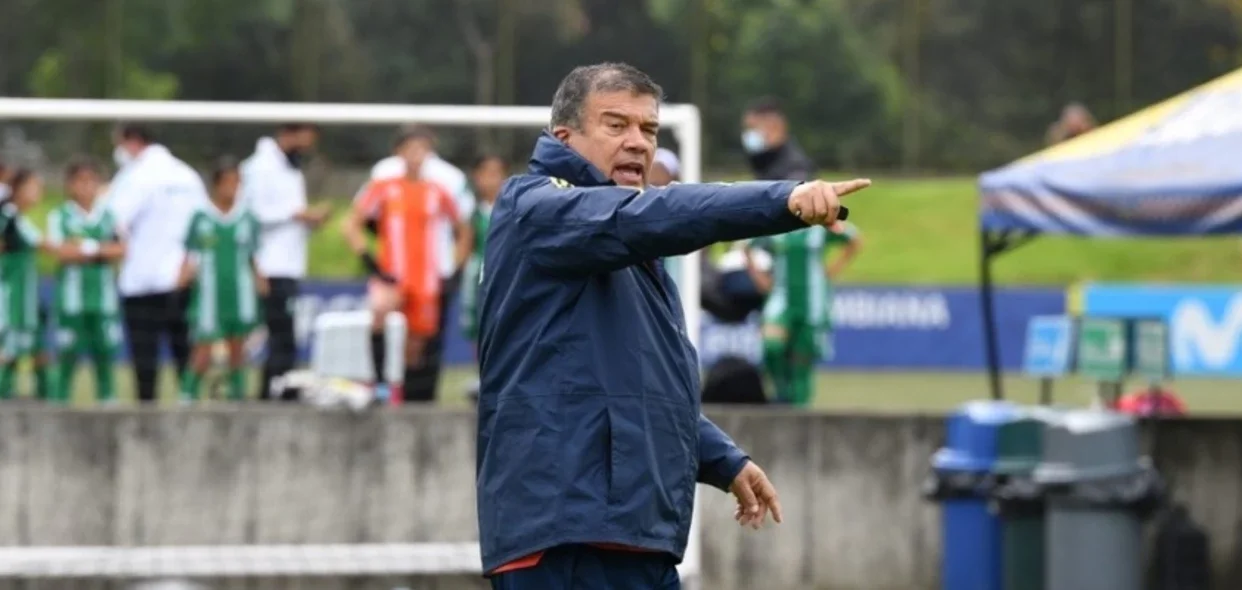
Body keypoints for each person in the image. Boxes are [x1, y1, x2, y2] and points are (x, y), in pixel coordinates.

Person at [477, 62, 871, 589]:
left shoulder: (627, 245)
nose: (639, 143)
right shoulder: (534, 205)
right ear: (564, 138)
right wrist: (779, 200)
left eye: (650, 130)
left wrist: (721, 458)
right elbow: (648, 215)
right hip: (565, 540)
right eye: (617, 125)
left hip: (634, 536)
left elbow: (636, 379)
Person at [344, 128, 470, 403]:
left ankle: (408, 400)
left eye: (422, 149)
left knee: (415, 348)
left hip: (426, 279)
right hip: (392, 275)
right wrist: (370, 262)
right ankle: (378, 384)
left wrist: (456, 270)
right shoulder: (384, 187)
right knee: (378, 314)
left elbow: (464, 230)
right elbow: (351, 224)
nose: (417, 155)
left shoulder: (438, 191)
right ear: (399, 152)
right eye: (411, 149)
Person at [106, 123, 208, 404]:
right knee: (183, 354)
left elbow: (112, 221)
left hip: (142, 281)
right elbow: (204, 226)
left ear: (132, 141)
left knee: (145, 359)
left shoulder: (133, 176)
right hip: (183, 276)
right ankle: (191, 412)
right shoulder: (187, 175)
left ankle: (147, 416)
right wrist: (192, 264)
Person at [239, 123, 329, 401]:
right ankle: (272, 395)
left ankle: (276, 392)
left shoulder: (290, 168)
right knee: (278, 336)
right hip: (269, 266)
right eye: (304, 142)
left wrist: (308, 220)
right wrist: (298, 215)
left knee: (284, 337)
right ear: (288, 135)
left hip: (288, 264)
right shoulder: (258, 168)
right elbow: (250, 214)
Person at [176, 160, 266, 403]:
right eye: (228, 183)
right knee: (202, 350)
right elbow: (189, 254)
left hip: (239, 292)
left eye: (237, 183)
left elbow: (253, 255)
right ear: (216, 185)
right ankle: (187, 396)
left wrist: (260, 279)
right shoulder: (201, 217)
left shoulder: (247, 218)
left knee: (237, 348)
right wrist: (182, 276)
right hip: (208, 295)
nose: (233, 189)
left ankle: (237, 397)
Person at [749, 223, 862, 406]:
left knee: (802, 360)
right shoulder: (778, 224)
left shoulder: (821, 226)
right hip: (782, 297)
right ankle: (781, 393)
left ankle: (800, 409)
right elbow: (748, 246)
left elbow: (854, 239)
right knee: (771, 347)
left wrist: (832, 270)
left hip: (812, 302)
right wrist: (759, 277)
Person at [47, 159, 127, 405]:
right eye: (81, 181)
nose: (87, 186)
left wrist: (84, 248)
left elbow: (121, 249)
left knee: (105, 352)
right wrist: (98, 250)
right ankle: (60, 401)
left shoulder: (109, 216)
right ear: (70, 185)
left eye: (91, 181)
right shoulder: (59, 215)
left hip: (103, 299)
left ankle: (107, 400)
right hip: (71, 300)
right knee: (67, 353)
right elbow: (61, 251)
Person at [0, 170, 59, 399]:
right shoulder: (8, 217)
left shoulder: (20, 219)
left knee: (39, 345)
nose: (38, 193)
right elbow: (47, 245)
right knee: (12, 344)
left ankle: (47, 396)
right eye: (34, 187)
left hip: (29, 294)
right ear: (18, 189)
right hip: (14, 295)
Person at [458, 154, 506, 348]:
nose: (491, 179)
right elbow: (465, 245)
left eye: (496, 173)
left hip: (505, 275)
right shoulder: (472, 211)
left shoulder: (513, 208)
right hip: (478, 276)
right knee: (478, 329)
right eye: (485, 173)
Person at [741, 97, 817, 181]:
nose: (750, 135)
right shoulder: (765, 162)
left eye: (754, 128)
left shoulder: (795, 168)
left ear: (775, 126)